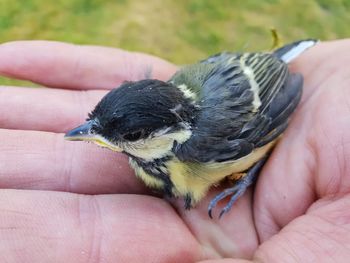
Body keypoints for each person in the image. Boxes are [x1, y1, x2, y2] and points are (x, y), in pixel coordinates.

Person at [0, 39, 349, 262]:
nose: (96, 139)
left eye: (133, 135)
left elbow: (270, 109)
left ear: (172, 132)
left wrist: (248, 177)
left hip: (261, 79)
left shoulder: (205, 146)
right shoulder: (169, 117)